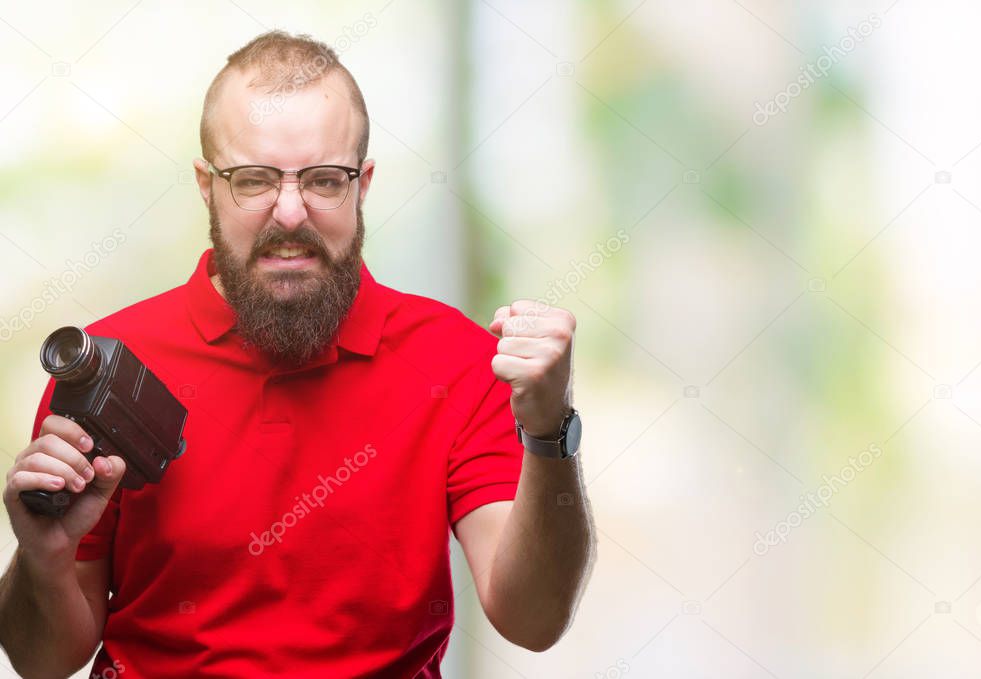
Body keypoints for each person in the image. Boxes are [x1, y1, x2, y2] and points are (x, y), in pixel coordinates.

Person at [0, 30, 595, 678]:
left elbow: (533, 620)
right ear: (207, 185)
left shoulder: (454, 358)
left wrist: (548, 432)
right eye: (253, 179)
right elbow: (41, 661)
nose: (288, 212)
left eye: (322, 179)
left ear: (362, 184)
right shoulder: (108, 369)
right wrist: (42, 559)